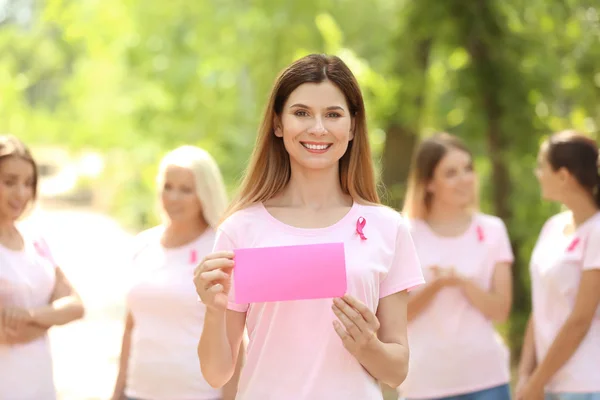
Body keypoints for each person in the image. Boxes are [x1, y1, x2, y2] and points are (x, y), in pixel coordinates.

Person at [193, 53, 425, 400]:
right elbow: (216, 373)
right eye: (301, 113)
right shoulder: (240, 230)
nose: (318, 128)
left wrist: (367, 345)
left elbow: (397, 369)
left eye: (332, 114)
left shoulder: (387, 228)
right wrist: (213, 310)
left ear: (352, 128)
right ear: (278, 124)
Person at [111, 146, 242, 400]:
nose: (173, 197)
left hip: (199, 394)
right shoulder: (143, 245)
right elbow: (131, 326)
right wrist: (117, 392)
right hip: (137, 393)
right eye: (168, 187)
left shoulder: (220, 248)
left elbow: (235, 340)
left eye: (186, 189)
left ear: (204, 193)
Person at [400, 133, 514, 400]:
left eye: (468, 169)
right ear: (428, 182)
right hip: (425, 383)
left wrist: (462, 282)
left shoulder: (493, 229)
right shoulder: (404, 233)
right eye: (451, 173)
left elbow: (500, 310)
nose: (465, 179)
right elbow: (397, 317)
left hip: (486, 379)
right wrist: (437, 285)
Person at [516, 130, 600, 400]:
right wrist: (525, 376)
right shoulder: (552, 227)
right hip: (548, 384)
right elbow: (540, 306)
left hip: (585, 384)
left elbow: (580, 320)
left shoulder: (597, 231)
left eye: (542, 166)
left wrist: (537, 381)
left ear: (563, 175)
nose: (538, 173)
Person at [0, 134, 85, 400]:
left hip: (39, 385)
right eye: (9, 182)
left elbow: (75, 305)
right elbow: (10, 334)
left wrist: (29, 314)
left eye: (29, 183)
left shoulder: (35, 241)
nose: (21, 193)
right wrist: (49, 318)